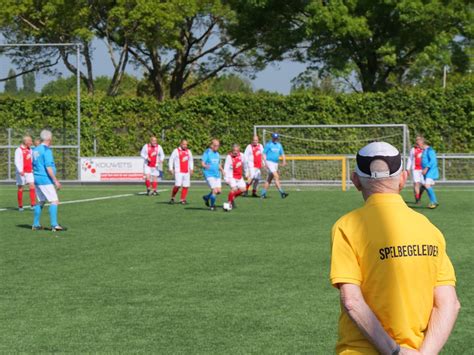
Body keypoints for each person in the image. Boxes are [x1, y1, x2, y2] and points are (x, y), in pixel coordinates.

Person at [330, 142, 459, 355]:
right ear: (403, 178)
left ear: (355, 181)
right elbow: (450, 304)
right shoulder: (429, 229)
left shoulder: (348, 225)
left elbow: (352, 301)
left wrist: (396, 352)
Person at [32, 130, 64, 231]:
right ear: (49, 139)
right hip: (45, 179)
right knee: (54, 201)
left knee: (41, 201)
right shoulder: (46, 150)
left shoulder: (35, 150)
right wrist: (55, 181)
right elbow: (48, 167)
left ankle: (35, 224)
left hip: (37, 178)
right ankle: (54, 225)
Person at [261, 133, 288, 199]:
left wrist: (284, 161)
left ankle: (263, 194)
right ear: (272, 138)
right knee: (276, 176)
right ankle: (282, 193)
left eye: (276, 138)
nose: (275, 139)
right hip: (269, 162)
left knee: (269, 179)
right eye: (274, 138)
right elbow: (263, 154)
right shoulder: (268, 145)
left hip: (275, 163)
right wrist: (265, 163)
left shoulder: (279, 145)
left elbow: (282, 154)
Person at [168, 139, 194, 205]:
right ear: (181, 144)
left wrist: (191, 169)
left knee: (186, 186)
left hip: (186, 171)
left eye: (186, 144)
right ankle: (172, 197)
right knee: (178, 185)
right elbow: (171, 159)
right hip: (178, 171)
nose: (185, 145)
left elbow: (191, 160)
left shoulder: (188, 151)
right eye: (184, 144)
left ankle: (182, 199)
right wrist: (171, 168)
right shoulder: (176, 151)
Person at [14, 135, 36, 211]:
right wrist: (20, 170)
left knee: (32, 186)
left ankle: (33, 204)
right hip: (21, 173)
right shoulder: (18, 150)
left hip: (29, 172)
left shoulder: (30, 150)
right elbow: (17, 161)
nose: (31, 142)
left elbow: (32, 160)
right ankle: (20, 206)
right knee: (20, 188)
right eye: (30, 141)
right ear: (25, 141)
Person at [202, 139, 223, 211]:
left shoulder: (217, 154)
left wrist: (222, 170)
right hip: (209, 174)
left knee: (219, 191)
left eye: (218, 145)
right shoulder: (207, 152)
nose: (217, 147)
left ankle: (207, 197)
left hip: (217, 175)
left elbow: (218, 164)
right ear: (211, 145)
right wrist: (205, 166)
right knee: (214, 190)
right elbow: (203, 163)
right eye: (215, 145)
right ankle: (212, 206)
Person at [224, 144, 247, 209]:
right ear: (232, 150)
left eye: (237, 150)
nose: (235, 152)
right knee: (234, 189)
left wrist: (247, 173)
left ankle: (231, 198)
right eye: (234, 150)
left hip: (239, 177)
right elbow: (226, 168)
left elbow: (245, 165)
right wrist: (226, 179)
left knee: (244, 189)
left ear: (239, 150)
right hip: (232, 177)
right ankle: (229, 204)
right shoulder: (229, 157)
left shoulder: (242, 156)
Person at [421, 139, 440, 209]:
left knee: (427, 185)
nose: (417, 145)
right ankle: (432, 202)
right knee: (426, 186)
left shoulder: (430, 150)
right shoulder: (424, 151)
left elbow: (433, 161)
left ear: (422, 143)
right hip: (427, 172)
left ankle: (434, 202)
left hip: (431, 171)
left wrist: (426, 168)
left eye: (418, 143)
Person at [406, 136, 425, 204]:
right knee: (416, 184)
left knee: (424, 184)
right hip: (415, 169)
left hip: (423, 170)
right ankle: (417, 199)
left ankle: (419, 195)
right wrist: (407, 168)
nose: (417, 141)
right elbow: (410, 159)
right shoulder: (413, 149)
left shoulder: (425, 149)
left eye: (419, 140)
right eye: (417, 140)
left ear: (422, 141)